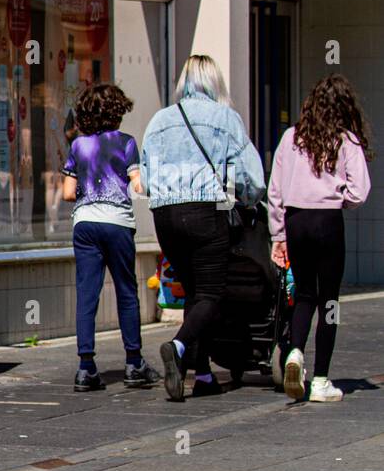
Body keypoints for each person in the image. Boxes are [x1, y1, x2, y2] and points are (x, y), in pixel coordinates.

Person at [140, 54, 266, 402]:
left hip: (165, 216)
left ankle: (203, 372)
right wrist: (249, 200)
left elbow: (147, 178)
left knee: (193, 292)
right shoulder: (226, 119)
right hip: (206, 213)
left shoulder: (160, 120)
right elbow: (251, 179)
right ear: (215, 82)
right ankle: (178, 346)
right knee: (212, 293)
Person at [268, 74, 373, 402]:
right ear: (345, 107)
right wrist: (339, 192)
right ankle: (321, 381)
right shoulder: (346, 141)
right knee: (329, 301)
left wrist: (278, 235)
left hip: (296, 220)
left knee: (303, 295)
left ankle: (296, 352)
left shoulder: (291, 137)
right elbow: (360, 192)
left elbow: (276, 190)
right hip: (328, 222)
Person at [61, 82, 161, 392]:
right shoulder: (127, 143)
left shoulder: (78, 146)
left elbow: (66, 193)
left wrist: (87, 189)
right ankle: (133, 363)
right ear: (117, 113)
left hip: (85, 224)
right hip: (117, 224)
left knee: (87, 294)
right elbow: (138, 185)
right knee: (126, 292)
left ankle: (86, 367)